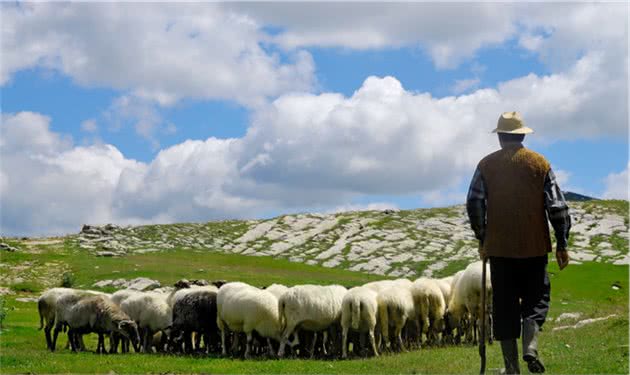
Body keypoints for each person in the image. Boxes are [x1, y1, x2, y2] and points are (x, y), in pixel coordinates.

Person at [466, 111, 571, 374]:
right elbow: (557, 206)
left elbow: (474, 202)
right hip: (534, 248)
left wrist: (483, 236)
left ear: (500, 137)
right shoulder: (539, 163)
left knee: (504, 305)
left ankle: (511, 367)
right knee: (537, 299)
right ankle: (530, 347)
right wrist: (562, 243)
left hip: (500, 249)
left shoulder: (486, 165)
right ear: (522, 135)